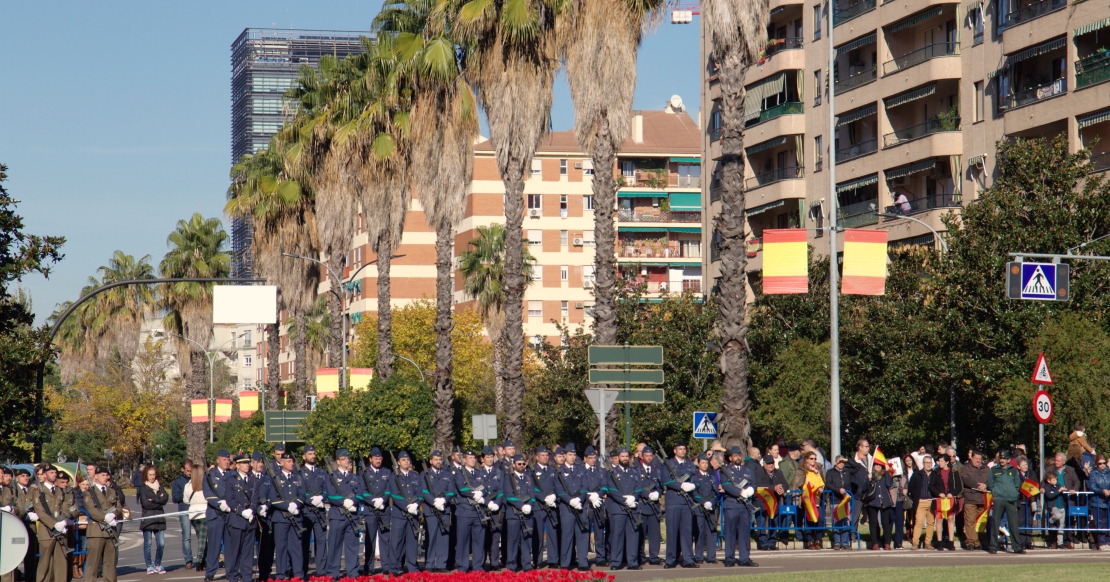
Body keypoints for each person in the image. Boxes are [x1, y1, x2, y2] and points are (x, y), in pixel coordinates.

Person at [265, 451, 305, 581]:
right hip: (281, 518)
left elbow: (302, 495)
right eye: (288, 461)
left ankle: (298, 574)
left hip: (295, 517)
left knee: (297, 547)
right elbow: (272, 498)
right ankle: (281, 574)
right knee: (281, 547)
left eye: (292, 461)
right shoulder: (275, 478)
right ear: (281, 463)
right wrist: (287, 506)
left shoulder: (298, 478)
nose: (291, 463)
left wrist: (296, 505)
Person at [324, 449, 363, 579]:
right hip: (337, 516)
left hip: (352, 515)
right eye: (344, 458)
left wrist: (352, 501)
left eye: (348, 458)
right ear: (338, 461)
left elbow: (360, 493)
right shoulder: (331, 476)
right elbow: (330, 495)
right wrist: (343, 502)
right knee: (335, 546)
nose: (347, 460)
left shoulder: (354, 477)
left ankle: (353, 572)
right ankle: (333, 573)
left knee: (352, 546)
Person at [603, 447, 643, 571]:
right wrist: (624, 499)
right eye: (622, 456)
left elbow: (639, 487)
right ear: (618, 458)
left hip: (632, 508)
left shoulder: (634, 472)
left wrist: (633, 497)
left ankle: (632, 562)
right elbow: (611, 489)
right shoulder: (611, 473)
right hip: (618, 508)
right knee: (617, 536)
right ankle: (615, 562)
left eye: (626, 456)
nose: (625, 458)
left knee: (633, 535)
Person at [659, 443, 698, 568]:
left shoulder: (690, 464)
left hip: (687, 502)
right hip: (673, 501)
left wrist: (693, 485)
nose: (683, 451)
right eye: (680, 449)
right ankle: (670, 560)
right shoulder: (668, 464)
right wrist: (680, 485)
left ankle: (688, 559)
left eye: (684, 448)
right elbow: (665, 480)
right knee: (672, 532)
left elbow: (696, 480)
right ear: (675, 451)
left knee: (687, 532)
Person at [33, 463, 74, 582]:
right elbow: (40, 511)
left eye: (55, 472)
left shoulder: (60, 491)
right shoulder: (38, 491)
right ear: (45, 475)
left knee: (61, 562)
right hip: (47, 531)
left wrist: (64, 521)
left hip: (61, 530)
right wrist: (54, 524)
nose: (54, 474)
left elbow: (66, 508)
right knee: (45, 563)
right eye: (51, 472)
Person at [719, 447, 757, 567]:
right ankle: (729, 558)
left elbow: (753, 484)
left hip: (744, 506)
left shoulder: (748, 470)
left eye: (739, 455)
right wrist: (740, 492)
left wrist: (750, 490)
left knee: (744, 533)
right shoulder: (726, 471)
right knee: (730, 533)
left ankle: (744, 558)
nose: (738, 457)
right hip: (732, 504)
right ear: (730, 458)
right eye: (735, 455)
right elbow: (726, 485)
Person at [224, 453, 259, 582]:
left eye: (248, 463)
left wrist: (252, 509)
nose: (247, 465)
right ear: (237, 465)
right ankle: (233, 576)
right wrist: (241, 511)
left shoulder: (253, 479)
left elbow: (256, 497)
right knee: (235, 552)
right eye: (244, 463)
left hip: (250, 520)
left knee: (248, 553)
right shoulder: (231, 480)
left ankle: (246, 577)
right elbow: (230, 500)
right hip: (237, 520)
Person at [84, 466, 122, 582]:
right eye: (103, 475)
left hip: (111, 531)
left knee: (110, 563)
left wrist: (114, 515)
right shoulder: (89, 492)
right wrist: (105, 517)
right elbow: (91, 509)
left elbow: (118, 507)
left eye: (107, 475)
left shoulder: (112, 491)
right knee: (93, 564)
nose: (106, 477)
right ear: (95, 477)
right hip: (96, 531)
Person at [358, 447, 392, 575]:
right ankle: (369, 566)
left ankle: (386, 566)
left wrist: (382, 500)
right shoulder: (364, 473)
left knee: (385, 538)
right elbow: (362, 491)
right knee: (370, 539)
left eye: (380, 458)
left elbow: (389, 489)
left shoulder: (387, 472)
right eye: (376, 458)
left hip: (384, 509)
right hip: (371, 510)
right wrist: (374, 501)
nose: (378, 460)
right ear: (370, 459)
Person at [553, 445, 588, 571]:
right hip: (567, 508)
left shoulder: (581, 469)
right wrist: (570, 500)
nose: (572, 457)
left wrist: (580, 499)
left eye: (574, 455)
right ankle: (565, 563)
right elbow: (559, 489)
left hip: (580, 506)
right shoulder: (559, 471)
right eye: (570, 455)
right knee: (567, 535)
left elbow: (585, 486)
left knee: (582, 534)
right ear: (565, 455)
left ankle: (583, 562)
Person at [388, 451, 423, 575]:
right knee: (396, 542)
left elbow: (420, 493)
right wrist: (407, 506)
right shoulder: (393, 477)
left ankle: (412, 566)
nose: (406, 462)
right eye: (403, 460)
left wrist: (416, 504)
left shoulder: (415, 476)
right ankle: (394, 567)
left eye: (408, 460)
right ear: (398, 462)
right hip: (399, 514)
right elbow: (395, 495)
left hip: (413, 514)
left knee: (412, 541)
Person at [454, 449, 489, 572]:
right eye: (470, 458)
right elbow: (461, 488)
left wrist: (481, 492)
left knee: (479, 540)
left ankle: (478, 566)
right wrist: (474, 494)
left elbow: (485, 488)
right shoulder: (459, 473)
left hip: (479, 512)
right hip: (465, 511)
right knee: (463, 540)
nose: (473, 460)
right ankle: (462, 566)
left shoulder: (480, 473)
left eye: (474, 457)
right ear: (464, 459)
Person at [501, 454, 537, 572]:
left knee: (527, 540)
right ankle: (512, 564)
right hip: (514, 514)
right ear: (513, 465)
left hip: (528, 514)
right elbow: (509, 495)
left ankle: (527, 564)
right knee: (513, 540)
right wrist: (522, 506)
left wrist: (529, 505)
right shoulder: (508, 478)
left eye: (523, 464)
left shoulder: (528, 478)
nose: (521, 466)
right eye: (519, 464)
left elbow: (532, 495)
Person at [422, 450, 456, 573]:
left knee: (444, 537)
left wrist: (444, 500)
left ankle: (442, 563)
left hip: (444, 509)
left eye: (439, 459)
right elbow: (424, 491)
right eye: (435, 459)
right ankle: (429, 563)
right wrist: (434, 501)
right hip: (431, 510)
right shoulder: (425, 474)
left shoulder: (447, 474)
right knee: (431, 537)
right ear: (431, 461)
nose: (438, 461)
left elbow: (451, 490)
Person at [298, 445, 329, 576]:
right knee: (304, 543)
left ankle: (321, 572)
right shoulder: (299, 472)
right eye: (310, 454)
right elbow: (299, 491)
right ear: (304, 456)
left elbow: (328, 489)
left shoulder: (322, 472)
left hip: (320, 512)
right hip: (306, 512)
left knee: (321, 543)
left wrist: (321, 497)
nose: (313, 456)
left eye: (314, 453)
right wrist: (311, 500)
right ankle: (303, 571)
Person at [202, 449, 233, 582]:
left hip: (230, 514)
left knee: (231, 545)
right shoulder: (210, 475)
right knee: (214, 545)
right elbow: (208, 494)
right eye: (224, 459)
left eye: (228, 460)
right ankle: (210, 572)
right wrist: (220, 503)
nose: (227, 462)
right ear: (218, 460)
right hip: (215, 514)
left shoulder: (233, 475)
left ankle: (231, 571)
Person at [986, 449, 1023, 554]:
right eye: (1000, 458)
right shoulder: (993, 470)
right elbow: (991, 484)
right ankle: (993, 546)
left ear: (1009, 460)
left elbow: (1017, 484)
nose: (1002, 460)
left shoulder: (1014, 470)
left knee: (1013, 523)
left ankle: (1017, 547)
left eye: (1004, 458)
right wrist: (995, 493)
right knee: (995, 522)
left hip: (1011, 499)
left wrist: (1014, 494)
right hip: (999, 499)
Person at [531, 446, 559, 569]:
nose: (545, 457)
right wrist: (544, 498)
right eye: (542, 455)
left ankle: (553, 560)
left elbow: (558, 485)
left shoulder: (553, 470)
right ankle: (537, 560)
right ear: (537, 457)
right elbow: (532, 488)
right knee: (538, 535)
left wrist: (554, 496)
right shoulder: (531, 470)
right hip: (539, 506)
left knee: (553, 533)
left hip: (551, 506)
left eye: (547, 455)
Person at [138, 465, 169, 574]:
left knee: (161, 543)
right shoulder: (143, 488)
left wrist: (154, 499)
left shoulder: (160, 486)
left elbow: (165, 499)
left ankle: (158, 564)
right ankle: (149, 565)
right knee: (148, 543)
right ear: (146, 475)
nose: (152, 477)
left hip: (159, 518)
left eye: (153, 474)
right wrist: (158, 500)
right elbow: (146, 504)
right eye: (150, 475)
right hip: (148, 519)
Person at [579, 446, 607, 567]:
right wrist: (588, 496)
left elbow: (605, 486)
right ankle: (583, 558)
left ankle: (600, 557)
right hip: (586, 505)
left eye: (594, 457)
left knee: (599, 532)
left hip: (598, 504)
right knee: (584, 533)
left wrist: (598, 494)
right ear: (585, 458)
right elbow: (578, 487)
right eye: (590, 458)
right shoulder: (580, 471)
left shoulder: (601, 471)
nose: (592, 460)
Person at [250, 452, 276, 581]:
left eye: (261, 462)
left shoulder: (267, 479)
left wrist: (267, 506)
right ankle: (247, 573)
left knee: (265, 547)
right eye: (257, 462)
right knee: (248, 547)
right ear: (251, 463)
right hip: (251, 516)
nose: (260, 464)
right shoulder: (248, 477)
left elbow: (272, 496)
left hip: (265, 516)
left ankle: (264, 573)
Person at [753, 455, 787, 552]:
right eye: (768, 463)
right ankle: (764, 543)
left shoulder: (778, 472)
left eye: (772, 463)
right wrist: (774, 488)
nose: (770, 465)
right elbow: (759, 485)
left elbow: (785, 484)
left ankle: (772, 542)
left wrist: (782, 489)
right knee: (761, 523)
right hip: (761, 501)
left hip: (774, 502)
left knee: (774, 523)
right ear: (764, 464)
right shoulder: (758, 473)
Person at [929, 454, 962, 551]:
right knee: (939, 519)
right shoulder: (935, 472)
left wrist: (952, 493)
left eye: (942, 461)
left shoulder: (953, 472)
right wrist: (939, 493)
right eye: (938, 461)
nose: (939, 463)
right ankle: (939, 542)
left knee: (950, 519)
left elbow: (959, 487)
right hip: (940, 499)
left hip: (950, 499)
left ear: (947, 462)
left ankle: (951, 542)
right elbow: (931, 486)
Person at [479, 446, 506, 571]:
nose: (490, 459)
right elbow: (479, 489)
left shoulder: (499, 472)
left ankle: (494, 562)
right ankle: (482, 562)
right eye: (487, 457)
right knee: (483, 535)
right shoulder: (478, 472)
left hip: (496, 508)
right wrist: (488, 502)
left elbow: (501, 490)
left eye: (491, 457)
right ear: (483, 459)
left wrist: (497, 503)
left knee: (495, 536)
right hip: (483, 507)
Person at [793, 451, 825, 550]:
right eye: (811, 458)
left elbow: (824, 481)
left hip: (818, 497)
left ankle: (818, 540)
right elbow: (796, 483)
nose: (813, 461)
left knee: (820, 519)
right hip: (807, 497)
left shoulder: (819, 469)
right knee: (808, 519)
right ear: (806, 459)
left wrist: (821, 487)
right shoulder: (801, 469)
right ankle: (810, 540)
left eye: (815, 459)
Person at [958, 450, 988, 551]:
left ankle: (978, 540)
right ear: (972, 458)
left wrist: (986, 485)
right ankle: (971, 542)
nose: (978, 461)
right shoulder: (966, 467)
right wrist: (977, 486)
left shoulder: (986, 468)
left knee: (980, 521)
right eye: (976, 459)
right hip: (970, 498)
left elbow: (990, 479)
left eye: (980, 459)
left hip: (982, 499)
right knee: (970, 521)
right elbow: (966, 479)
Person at [637, 446, 663, 565]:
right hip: (642, 506)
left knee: (654, 534)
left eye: (650, 455)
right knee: (640, 534)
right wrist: (647, 494)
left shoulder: (657, 470)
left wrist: (658, 492)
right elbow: (636, 487)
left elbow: (662, 485)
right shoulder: (637, 471)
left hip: (654, 507)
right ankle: (641, 556)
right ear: (642, 456)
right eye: (646, 455)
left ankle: (654, 557)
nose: (649, 458)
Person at [690, 454, 716, 563]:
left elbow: (715, 492)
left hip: (710, 508)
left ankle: (711, 557)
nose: (704, 465)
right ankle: (699, 556)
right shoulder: (694, 477)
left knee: (711, 532)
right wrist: (703, 501)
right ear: (698, 464)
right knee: (699, 532)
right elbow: (694, 492)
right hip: (699, 509)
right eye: (702, 463)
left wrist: (711, 502)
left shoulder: (711, 477)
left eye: (706, 463)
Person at [182, 466, 208, 572]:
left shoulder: (187, 486)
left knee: (201, 538)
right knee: (203, 540)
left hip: (193, 514)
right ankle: (199, 560)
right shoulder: (205, 485)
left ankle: (203, 561)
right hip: (204, 513)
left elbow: (185, 500)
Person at [863, 463, 894, 551]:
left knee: (886, 523)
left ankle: (887, 543)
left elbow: (889, 484)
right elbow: (864, 488)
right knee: (873, 523)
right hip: (872, 501)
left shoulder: (885, 475)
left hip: (884, 501)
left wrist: (887, 472)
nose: (878, 466)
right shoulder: (870, 475)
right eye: (876, 465)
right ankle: (875, 543)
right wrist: (868, 480)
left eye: (880, 465)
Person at [908, 455, 936, 550]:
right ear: (923, 464)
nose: (928, 465)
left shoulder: (935, 474)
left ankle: (928, 542)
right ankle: (915, 542)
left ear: (932, 464)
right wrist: (914, 498)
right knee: (919, 522)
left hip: (932, 502)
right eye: (926, 463)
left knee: (931, 523)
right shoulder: (917, 474)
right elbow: (910, 487)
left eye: (930, 463)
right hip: (921, 502)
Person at [171, 461, 195, 570]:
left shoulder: (196, 479)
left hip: (196, 510)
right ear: (182, 469)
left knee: (202, 535)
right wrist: (186, 494)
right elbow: (175, 498)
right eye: (187, 471)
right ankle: (188, 560)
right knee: (186, 537)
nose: (190, 473)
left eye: (191, 471)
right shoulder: (177, 482)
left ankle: (202, 559)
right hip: (185, 510)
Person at [825, 456, 852, 550]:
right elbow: (828, 484)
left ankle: (845, 542)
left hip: (845, 499)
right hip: (835, 500)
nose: (841, 463)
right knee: (836, 520)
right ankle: (837, 542)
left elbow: (850, 484)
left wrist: (847, 493)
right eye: (839, 461)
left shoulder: (846, 472)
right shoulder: (830, 472)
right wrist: (838, 490)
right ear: (835, 462)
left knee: (845, 520)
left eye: (843, 462)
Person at [847, 439, 873, 532]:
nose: (868, 448)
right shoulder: (853, 461)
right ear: (860, 447)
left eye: (868, 446)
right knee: (854, 517)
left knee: (873, 519)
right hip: (857, 494)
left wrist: (873, 476)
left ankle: (875, 540)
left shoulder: (872, 460)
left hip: (871, 493)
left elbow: (879, 473)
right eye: (866, 446)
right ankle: (852, 536)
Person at [1089, 454, 1110, 550]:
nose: (1102, 465)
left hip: (1108, 501)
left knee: (1107, 522)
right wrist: (1102, 491)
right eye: (1100, 463)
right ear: (1097, 464)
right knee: (1100, 522)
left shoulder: (1109, 472)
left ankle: (1108, 542)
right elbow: (1092, 486)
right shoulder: (1093, 473)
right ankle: (1102, 542)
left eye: (1104, 463)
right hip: (1097, 501)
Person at [1043, 470, 1067, 549]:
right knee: (1058, 515)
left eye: (1056, 479)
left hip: (1061, 506)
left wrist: (1064, 490)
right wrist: (1058, 491)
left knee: (1061, 525)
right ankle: (1050, 521)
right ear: (1048, 480)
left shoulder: (1058, 485)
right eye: (1053, 480)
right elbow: (1050, 495)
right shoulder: (1047, 486)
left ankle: (1060, 543)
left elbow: (1062, 489)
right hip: (1053, 506)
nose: (1055, 481)